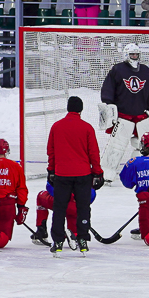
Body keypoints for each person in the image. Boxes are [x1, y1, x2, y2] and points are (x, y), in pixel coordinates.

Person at [46, 96, 103, 255]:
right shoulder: (87, 128)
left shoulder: (56, 127)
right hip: (83, 174)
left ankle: (57, 240)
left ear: (68, 108)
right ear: (81, 109)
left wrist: (51, 170)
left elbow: (51, 151)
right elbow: (93, 152)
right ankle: (83, 238)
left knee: (59, 208)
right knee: (83, 207)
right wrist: (97, 172)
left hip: (62, 174)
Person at [99, 42, 149, 179]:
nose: (134, 56)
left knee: (143, 147)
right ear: (126, 55)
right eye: (132, 54)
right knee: (116, 147)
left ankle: (141, 172)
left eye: (136, 54)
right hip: (123, 116)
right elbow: (108, 90)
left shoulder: (145, 70)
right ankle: (107, 174)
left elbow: (148, 92)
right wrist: (109, 106)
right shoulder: (118, 69)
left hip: (141, 116)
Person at [29, 180, 92, 246]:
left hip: (61, 203)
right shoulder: (86, 171)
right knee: (74, 213)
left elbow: (50, 187)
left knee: (41, 196)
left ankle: (41, 231)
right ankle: (75, 234)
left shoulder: (59, 170)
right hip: (79, 206)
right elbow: (92, 193)